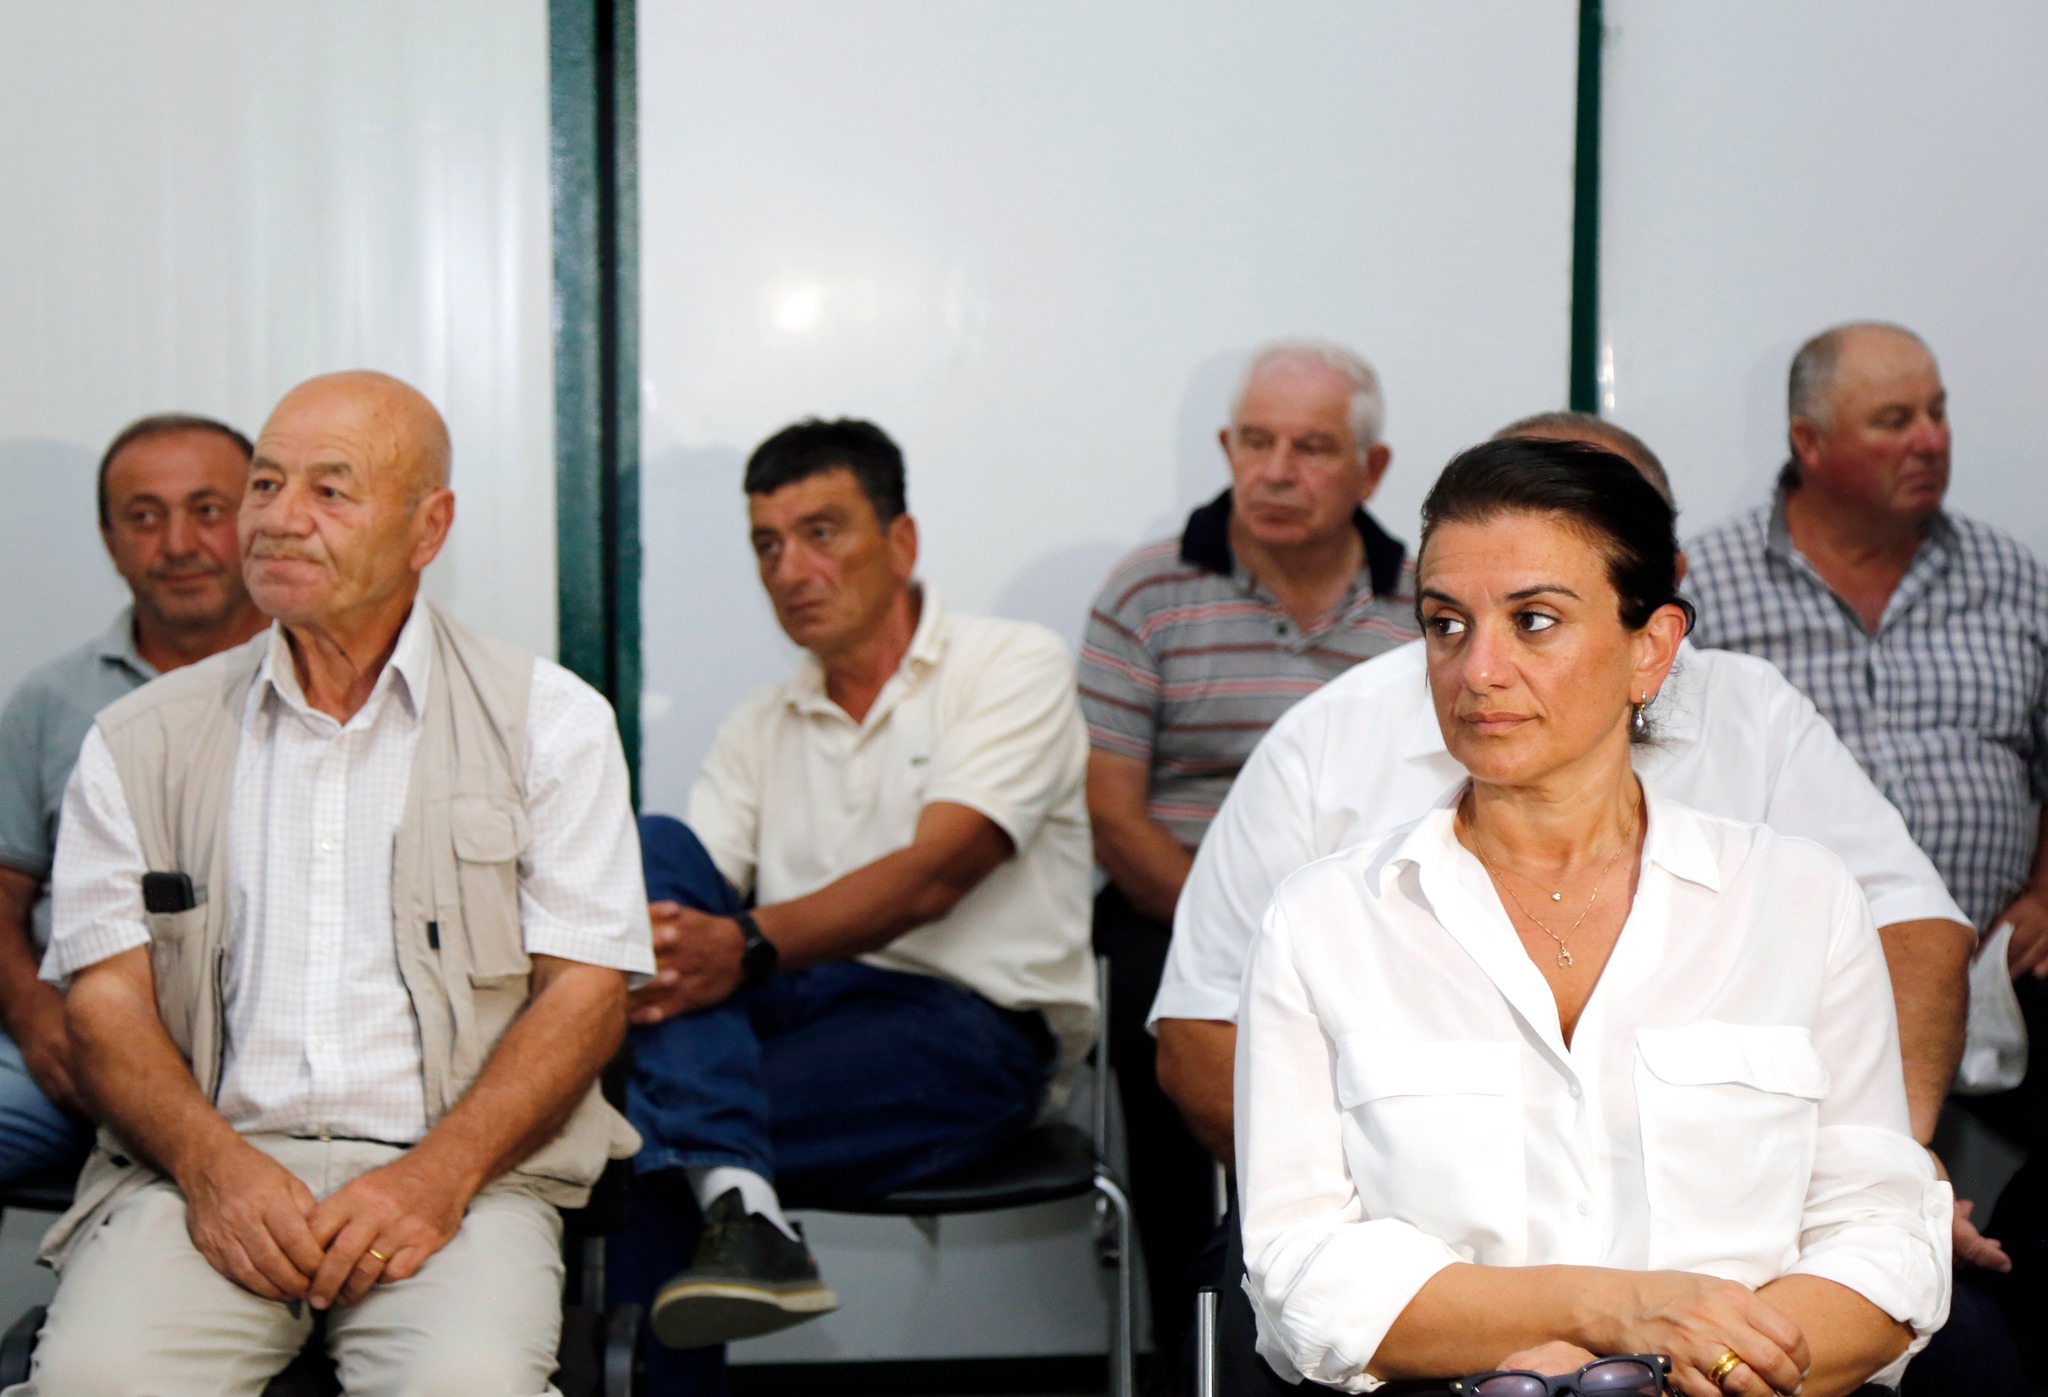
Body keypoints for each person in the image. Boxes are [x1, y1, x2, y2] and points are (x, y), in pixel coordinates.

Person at [1158, 412, 1978, 1394]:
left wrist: (1659, 1373)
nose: (1477, 669)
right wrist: (1605, 1313)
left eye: (1534, 620)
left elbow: (1879, 1241)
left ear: (1651, 649)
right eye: (1445, 623)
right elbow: (1300, 1267)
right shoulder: (1326, 917)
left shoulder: (1799, 898)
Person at [11, 371, 650, 1396]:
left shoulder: (550, 721)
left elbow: (584, 993)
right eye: (265, 485)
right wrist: (213, 1168)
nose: (278, 518)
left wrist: (436, 1176)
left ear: (427, 527)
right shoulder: (138, 738)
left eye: (330, 490)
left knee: (468, 1384)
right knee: (96, 1379)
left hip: (464, 1177)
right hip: (201, 1166)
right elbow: (106, 1002)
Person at [616, 419, 1095, 1369]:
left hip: (968, 1028)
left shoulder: (1012, 663)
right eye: (768, 545)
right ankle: (747, 1211)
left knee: (639, 1135)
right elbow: (682, 916)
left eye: (822, 532)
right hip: (796, 1008)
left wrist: (745, 945)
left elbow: (938, 872)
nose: (792, 570)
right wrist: (717, 948)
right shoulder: (760, 720)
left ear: (901, 541)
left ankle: (729, 1197)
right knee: (655, 842)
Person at [1685, 323, 2048, 1387]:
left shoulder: (2009, 576)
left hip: (2000, 963)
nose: (1930, 440)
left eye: (1936, 412)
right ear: (1808, 442)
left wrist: (2045, 885)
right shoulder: (1706, 585)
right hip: (1787, 978)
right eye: (1894, 420)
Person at [1078, 339, 1414, 1352]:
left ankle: (1395, 1309)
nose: (1275, 471)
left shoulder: (1424, 609)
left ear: (1371, 469)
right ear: (1226, 448)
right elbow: (1113, 814)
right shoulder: (1147, 593)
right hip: (1175, 907)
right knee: (1170, 1020)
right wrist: (1240, 939)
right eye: (1256, 442)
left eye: (1311, 447)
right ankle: (1196, 1345)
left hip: (1375, 922)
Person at [0, 414, 267, 1184]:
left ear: (259, 519)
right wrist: (35, 1016)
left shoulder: (328, 685)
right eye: (144, 517)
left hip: (267, 1066)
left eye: (207, 510)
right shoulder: (52, 701)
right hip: (70, 1064)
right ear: (110, 540)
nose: (178, 544)